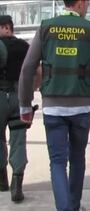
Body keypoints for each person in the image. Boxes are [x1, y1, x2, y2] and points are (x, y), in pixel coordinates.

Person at [18, 0, 90, 210]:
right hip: (81, 108)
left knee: (57, 162)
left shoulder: (45, 27)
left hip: (52, 108)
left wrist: (24, 105)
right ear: (81, 3)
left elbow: (27, 68)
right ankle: (73, 206)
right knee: (77, 159)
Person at [0, 15, 31, 203]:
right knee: (18, 140)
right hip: (19, 97)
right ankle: (16, 185)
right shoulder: (25, 47)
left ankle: (1, 180)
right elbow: (36, 72)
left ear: (3, 27)